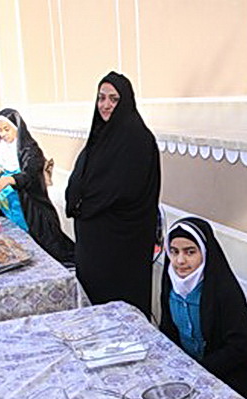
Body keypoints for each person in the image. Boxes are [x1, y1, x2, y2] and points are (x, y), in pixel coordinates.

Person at [65, 72, 160, 314]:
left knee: (119, 309)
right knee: (94, 307)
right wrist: (77, 200)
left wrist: (85, 204)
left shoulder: (137, 140)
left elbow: (122, 189)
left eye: (114, 99)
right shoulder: (100, 136)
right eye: (101, 98)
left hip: (121, 245)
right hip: (93, 243)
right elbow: (82, 177)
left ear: (125, 101)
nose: (105, 105)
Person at [159, 217, 247, 399]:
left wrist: (198, 371)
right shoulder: (171, 284)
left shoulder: (224, 291)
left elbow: (239, 347)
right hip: (188, 377)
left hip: (229, 380)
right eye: (174, 252)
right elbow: (168, 329)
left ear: (205, 252)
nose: (180, 261)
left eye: (190, 252)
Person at [0, 108, 75, 266]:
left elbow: (31, 173)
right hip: (7, 210)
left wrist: (11, 179)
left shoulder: (30, 149)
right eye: (0, 131)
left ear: (17, 128)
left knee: (46, 250)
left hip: (30, 208)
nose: (3, 134)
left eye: (6, 129)